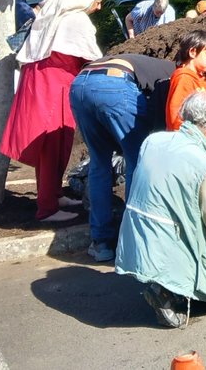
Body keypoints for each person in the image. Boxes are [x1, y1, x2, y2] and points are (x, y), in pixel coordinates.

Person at [116, 88, 206, 329]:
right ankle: (169, 293)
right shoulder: (205, 167)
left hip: (135, 246)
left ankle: (161, 282)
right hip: (168, 253)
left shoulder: (153, 141)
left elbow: (175, 181)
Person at [1, 0, 104, 222]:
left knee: (56, 142)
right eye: (97, 2)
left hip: (43, 82)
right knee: (52, 142)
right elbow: (93, 58)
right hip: (55, 86)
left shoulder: (53, 13)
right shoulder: (76, 20)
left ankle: (53, 195)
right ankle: (47, 208)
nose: (98, 7)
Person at [70, 53, 177, 262]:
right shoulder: (176, 73)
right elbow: (164, 117)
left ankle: (101, 244)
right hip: (115, 82)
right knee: (137, 161)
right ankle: (132, 242)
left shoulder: (148, 64)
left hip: (79, 84)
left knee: (99, 162)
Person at [166, 30, 206, 132]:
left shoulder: (200, 81)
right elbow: (175, 116)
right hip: (182, 140)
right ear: (193, 52)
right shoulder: (184, 78)